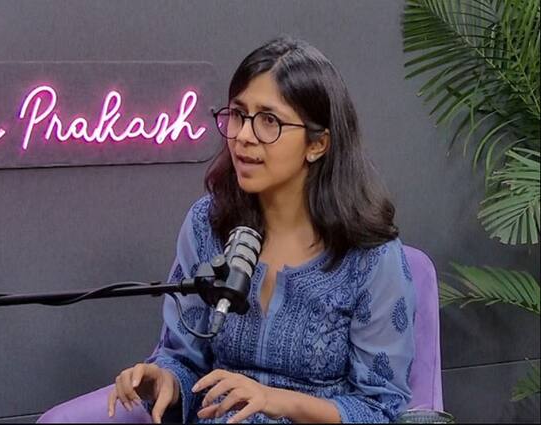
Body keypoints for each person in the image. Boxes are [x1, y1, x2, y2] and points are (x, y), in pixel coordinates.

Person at [45, 35, 416, 424]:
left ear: (317, 144)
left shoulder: (370, 255)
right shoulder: (208, 224)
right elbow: (184, 359)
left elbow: (381, 409)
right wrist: (164, 380)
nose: (243, 135)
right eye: (238, 114)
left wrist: (276, 400)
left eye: (269, 121)